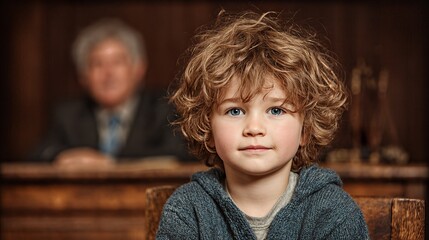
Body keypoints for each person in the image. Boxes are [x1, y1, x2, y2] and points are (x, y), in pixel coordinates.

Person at [156, 10, 369, 239]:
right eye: (235, 111)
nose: (254, 128)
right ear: (207, 129)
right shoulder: (188, 210)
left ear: (305, 129)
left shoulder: (335, 213)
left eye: (276, 110)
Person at [30, 18, 192, 167]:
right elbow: (38, 156)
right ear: (83, 76)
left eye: (117, 62)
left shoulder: (166, 109)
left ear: (139, 69)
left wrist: (110, 163)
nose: (108, 73)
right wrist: (61, 157)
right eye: (97, 64)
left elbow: (179, 155)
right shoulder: (68, 115)